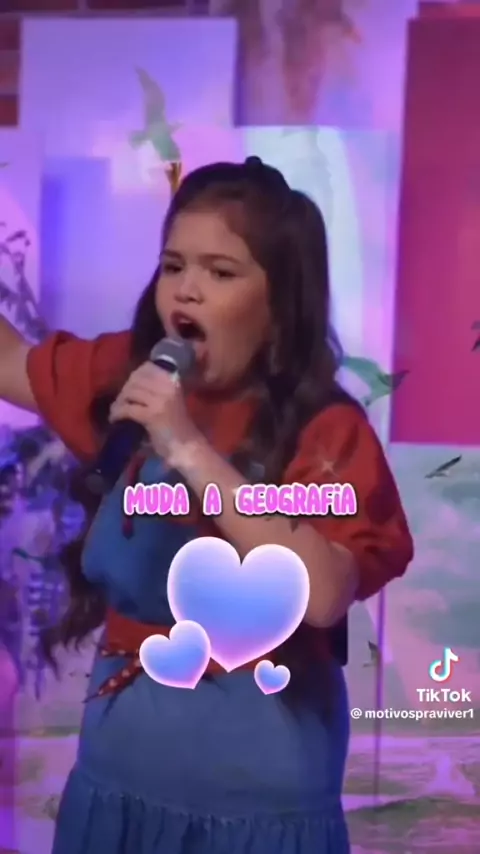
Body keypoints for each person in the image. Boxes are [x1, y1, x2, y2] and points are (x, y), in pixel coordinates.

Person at [0, 158, 413, 854]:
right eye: (173, 266)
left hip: (259, 814)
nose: (186, 289)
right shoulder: (131, 377)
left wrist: (187, 446)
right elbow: (11, 364)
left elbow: (320, 595)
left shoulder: (327, 430)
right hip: (116, 794)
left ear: (279, 307)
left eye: (221, 272)